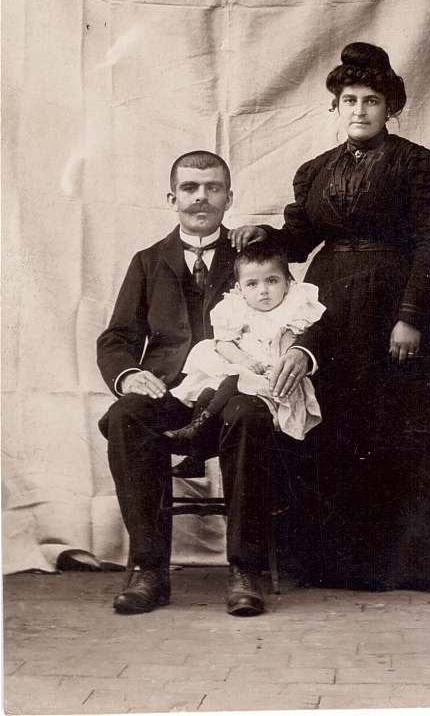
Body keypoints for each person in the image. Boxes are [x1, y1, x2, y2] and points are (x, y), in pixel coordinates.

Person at [231, 42, 430, 591]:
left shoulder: (419, 166)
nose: (359, 110)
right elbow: (301, 241)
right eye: (349, 100)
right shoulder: (315, 172)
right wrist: (266, 238)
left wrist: (410, 315)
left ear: (390, 107)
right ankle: (338, 564)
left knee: (398, 421)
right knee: (338, 417)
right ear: (335, 106)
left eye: (371, 100)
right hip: (328, 310)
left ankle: (411, 565)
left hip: (394, 301)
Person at [97, 150, 315, 617]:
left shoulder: (252, 256)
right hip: (175, 394)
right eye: (191, 188)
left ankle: (245, 569)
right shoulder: (148, 261)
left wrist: (300, 351)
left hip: (240, 389)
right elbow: (117, 337)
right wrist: (132, 374)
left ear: (229, 197)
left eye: (212, 188)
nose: (201, 198)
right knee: (125, 415)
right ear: (172, 197)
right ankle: (149, 569)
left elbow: (299, 311)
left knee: (250, 415)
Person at [166, 245, 325, 457]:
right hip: (242, 366)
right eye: (252, 284)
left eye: (272, 281)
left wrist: (267, 367)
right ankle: (196, 447)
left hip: (269, 375)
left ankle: (197, 434)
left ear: (287, 283)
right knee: (208, 392)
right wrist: (244, 361)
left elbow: (288, 350)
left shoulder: (292, 310)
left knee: (231, 383)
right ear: (240, 289)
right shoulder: (235, 308)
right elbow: (222, 343)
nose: (263, 290)